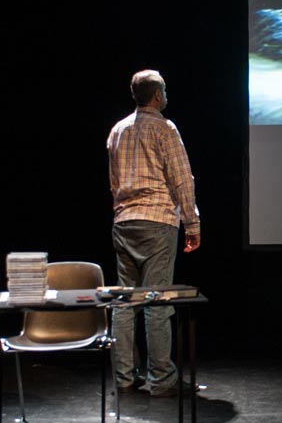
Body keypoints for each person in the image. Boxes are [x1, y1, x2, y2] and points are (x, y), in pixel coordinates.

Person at [107, 69, 201, 397]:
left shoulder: (118, 130)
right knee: (156, 302)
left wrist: (123, 211)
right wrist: (192, 224)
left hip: (124, 222)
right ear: (157, 96)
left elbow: (114, 182)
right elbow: (181, 178)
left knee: (125, 302)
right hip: (157, 222)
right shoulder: (165, 128)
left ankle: (123, 377)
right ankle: (161, 379)